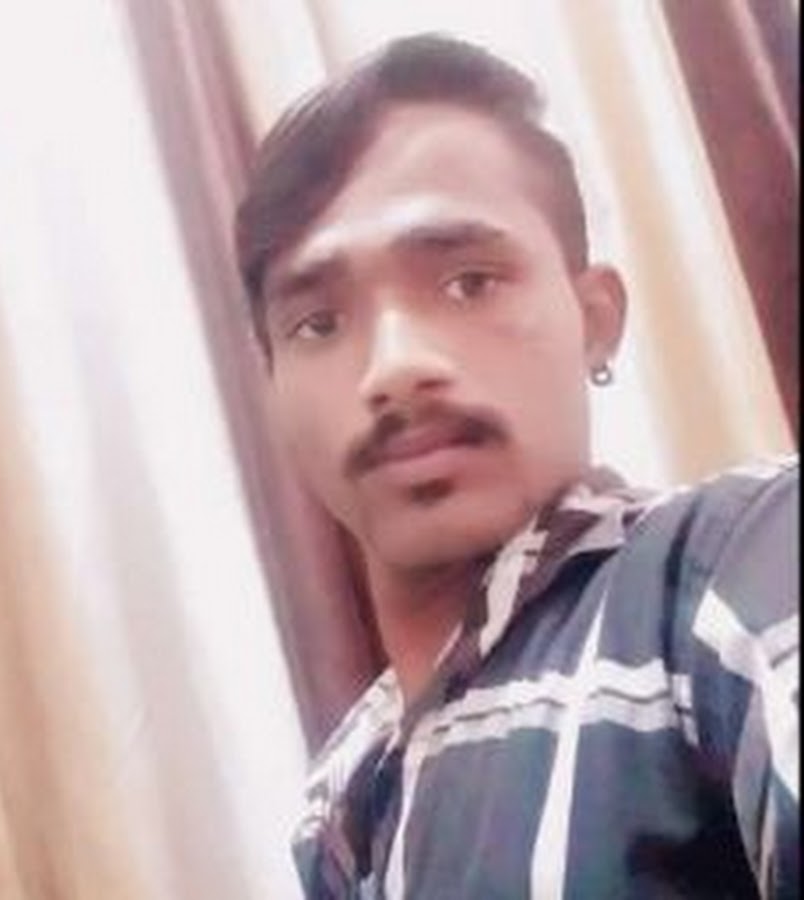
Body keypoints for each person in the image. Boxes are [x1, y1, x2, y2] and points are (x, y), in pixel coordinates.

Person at [233, 34, 799, 899]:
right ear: (273, 388)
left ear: (594, 319)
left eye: (468, 281)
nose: (394, 366)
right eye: (317, 323)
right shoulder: (343, 797)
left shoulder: (731, 574)